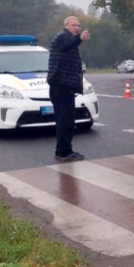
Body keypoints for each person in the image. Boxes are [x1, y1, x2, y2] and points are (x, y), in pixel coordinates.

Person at [47, 16, 90, 162]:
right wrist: (80, 38)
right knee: (65, 120)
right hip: (61, 85)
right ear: (66, 25)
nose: (77, 28)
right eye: (74, 25)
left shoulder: (67, 38)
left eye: (79, 26)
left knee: (67, 120)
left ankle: (65, 150)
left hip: (65, 85)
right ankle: (63, 152)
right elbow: (66, 45)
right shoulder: (62, 37)